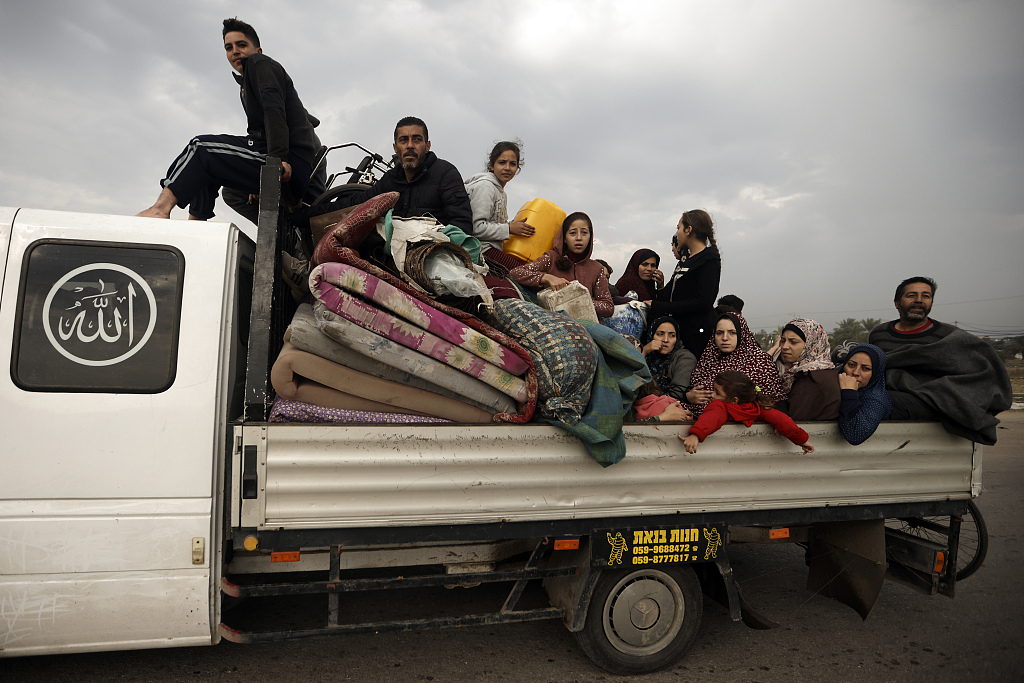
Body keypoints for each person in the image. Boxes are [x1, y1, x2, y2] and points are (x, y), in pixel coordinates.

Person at [138, 18, 321, 221]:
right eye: (229, 47)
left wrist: (277, 160)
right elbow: (257, 132)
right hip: (286, 163)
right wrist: (254, 176)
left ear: (258, 50)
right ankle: (196, 223)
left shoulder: (260, 64)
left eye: (241, 45)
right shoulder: (246, 84)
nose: (235, 51)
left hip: (292, 162)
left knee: (201, 148)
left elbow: (274, 111)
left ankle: (160, 209)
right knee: (218, 179)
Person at [869, 276, 1012, 445]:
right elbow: (875, 368)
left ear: (931, 302)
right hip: (890, 396)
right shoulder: (879, 334)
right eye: (911, 295)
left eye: (926, 296)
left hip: (931, 401)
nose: (919, 300)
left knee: (874, 400)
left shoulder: (949, 336)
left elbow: (975, 374)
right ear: (897, 303)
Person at [306, 116, 473, 233]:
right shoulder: (391, 180)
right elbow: (354, 204)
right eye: (403, 140)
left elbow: (461, 224)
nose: (409, 145)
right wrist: (303, 214)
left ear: (427, 145)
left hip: (434, 256)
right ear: (395, 148)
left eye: (416, 139)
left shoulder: (446, 173)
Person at [679, 371, 814, 454]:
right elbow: (782, 420)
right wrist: (802, 441)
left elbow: (712, 418)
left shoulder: (719, 406)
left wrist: (695, 435)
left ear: (734, 400)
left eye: (717, 392)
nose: (712, 395)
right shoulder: (758, 408)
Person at [508, 212, 614, 317]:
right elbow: (515, 273)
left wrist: (580, 301)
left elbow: (608, 307)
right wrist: (546, 277)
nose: (579, 238)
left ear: (590, 237)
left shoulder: (597, 268)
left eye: (584, 233)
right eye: (573, 233)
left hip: (586, 323)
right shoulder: (551, 258)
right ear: (564, 238)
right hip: (552, 319)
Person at [646, 210, 721, 356]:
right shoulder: (685, 261)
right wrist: (660, 289)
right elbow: (671, 296)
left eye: (678, 228)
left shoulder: (708, 259)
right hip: (681, 332)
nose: (676, 233)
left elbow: (703, 302)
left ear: (688, 230)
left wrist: (659, 307)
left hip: (697, 336)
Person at [683, 312, 785, 417]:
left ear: (742, 333)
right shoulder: (708, 359)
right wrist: (687, 397)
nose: (725, 338)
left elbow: (776, 403)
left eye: (732, 333)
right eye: (719, 333)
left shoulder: (761, 363)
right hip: (696, 420)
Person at [463, 141, 535, 271]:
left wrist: (514, 225)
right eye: (502, 162)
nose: (507, 168)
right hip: (480, 249)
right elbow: (476, 228)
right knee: (524, 273)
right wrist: (509, 229)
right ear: (491, 165)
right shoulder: (485, 187)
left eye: (512, 164)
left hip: (492, 249)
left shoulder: (501, 192)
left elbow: (494, 222)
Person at [773, 318, 841, 421]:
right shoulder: (821, 370)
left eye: (793, 342)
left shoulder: (812, 378)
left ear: (811, 344)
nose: (784, 346)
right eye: (783, 341)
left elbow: (793, 420)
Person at [837, 344, 891, 445]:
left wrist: (849, 393)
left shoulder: (875, 398)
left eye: (865, 368)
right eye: (851, 365)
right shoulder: (834, 384)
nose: (855, 372)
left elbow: (855, 435)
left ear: (876, 373)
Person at [641, 316, 697, 401]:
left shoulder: (685, 358)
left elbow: (677, 395)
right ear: (651, 335)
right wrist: (644, 352)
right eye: (660, 334)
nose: (666, 340)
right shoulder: (648, 355)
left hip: (670, 405)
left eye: (672, 335)